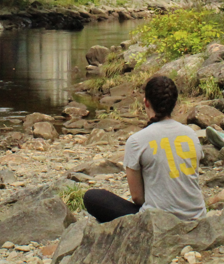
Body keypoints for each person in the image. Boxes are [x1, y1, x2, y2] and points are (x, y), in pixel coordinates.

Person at [83, 75, 206, 223]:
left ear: (146, 102)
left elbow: (137, 197)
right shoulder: (191, 134)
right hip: (197, 217)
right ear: (175, 104)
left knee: (92, 197)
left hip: (159, 221)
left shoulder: (137, 141)